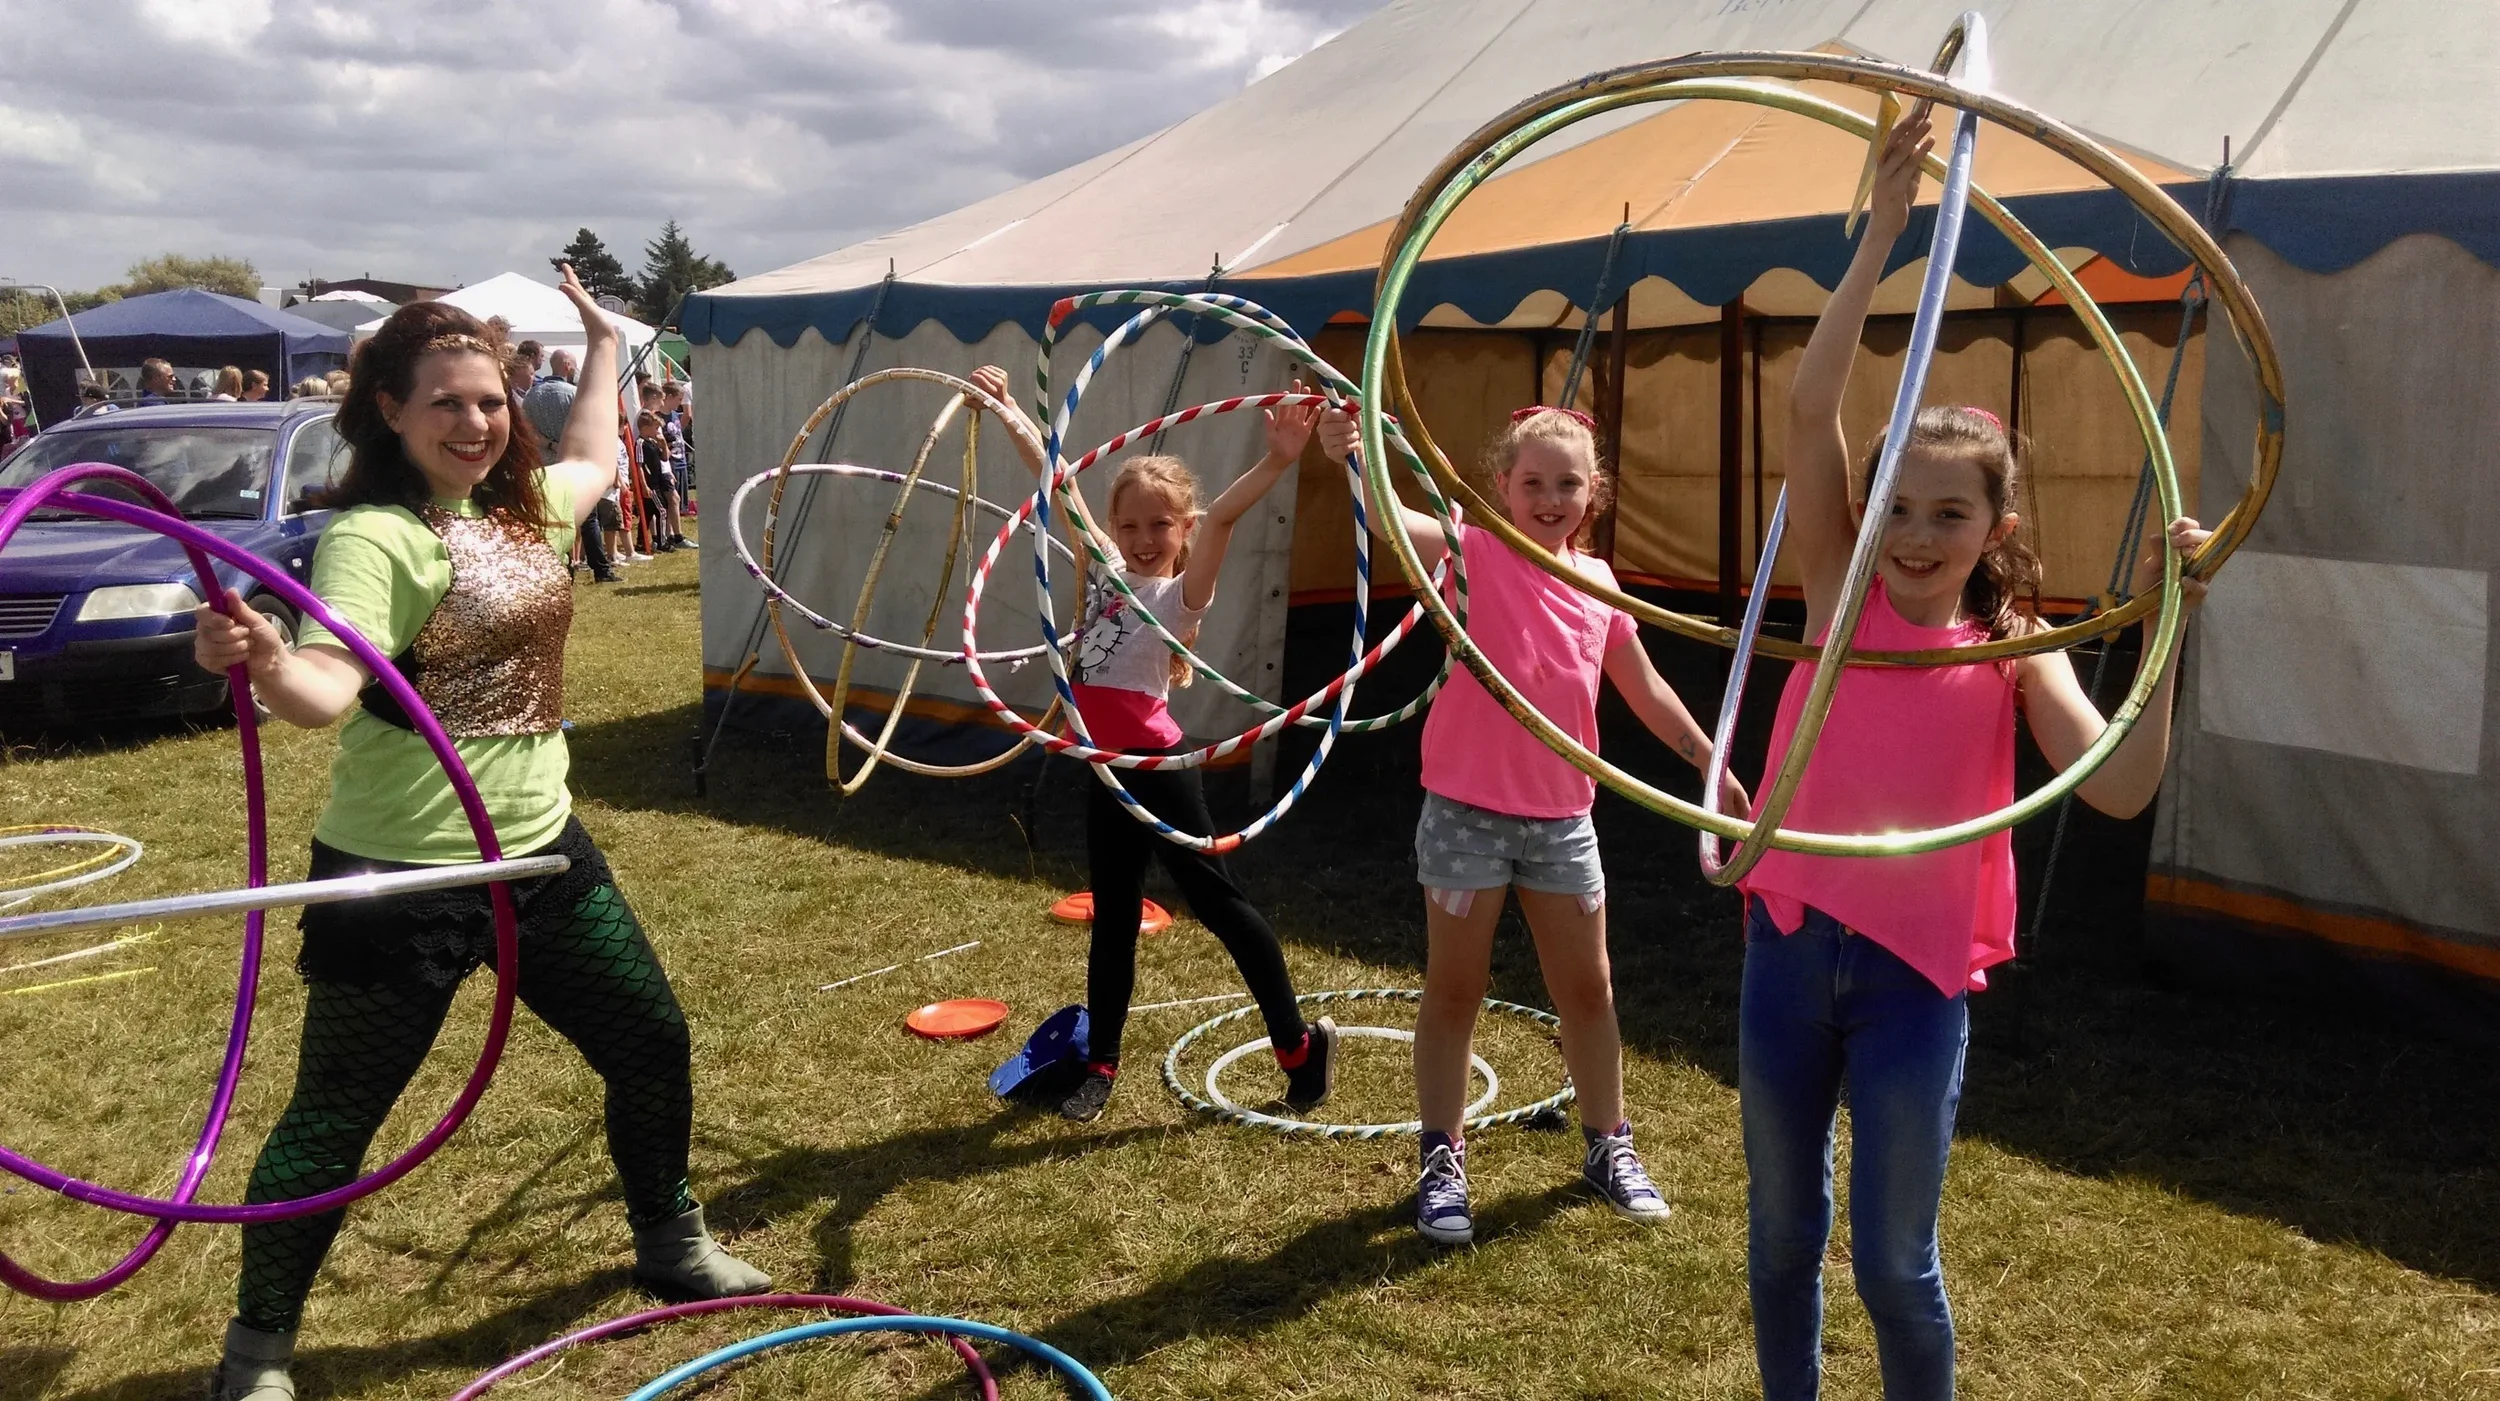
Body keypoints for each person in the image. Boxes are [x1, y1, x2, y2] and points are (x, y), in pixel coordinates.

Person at [190, 266, 767, 1401]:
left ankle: (668, 1237)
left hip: (542, 854)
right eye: (446, 401)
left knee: (650, 1041)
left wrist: (603, 342)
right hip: (399, 874)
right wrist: (264, 661)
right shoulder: (377, 538)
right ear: (390, 411)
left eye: (492, 399)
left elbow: (597, 458)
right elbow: (322, 687)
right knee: (338, 1121)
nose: (476, 421)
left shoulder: (524, 510)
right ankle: (255, 1353)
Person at [1735, 116, 2208, 1401]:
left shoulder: (2014, 644)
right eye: (1896, 504)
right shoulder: (1836, 592)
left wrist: (2171, 620)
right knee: (1779, 1236)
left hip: (1916, 976)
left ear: (1997, 524)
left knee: (1893, 1263)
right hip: (1790, 941)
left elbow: (2116, 785)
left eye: (1950, 513)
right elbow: (1810, 400)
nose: (1915, 533)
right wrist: (1883, 233)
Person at [1318, 402, 1747, 1248]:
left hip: (1561, 819)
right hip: (1465, 815)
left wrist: (1709, 758)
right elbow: (1391, 517)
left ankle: (1607, 1145)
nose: (1551, 498)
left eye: (1569, 483)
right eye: (1534, 482)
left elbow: (1646, 687)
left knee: (1588, 991)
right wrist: (1353, 456)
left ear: (1595, 491)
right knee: (1453, 990)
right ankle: (1441, 1156)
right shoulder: (1471, 550)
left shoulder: (1599, 583)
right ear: (1502, 485)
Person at [972, 362, 1339, 1123]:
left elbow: (1228, 518)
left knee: (1220, 905)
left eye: (1161, 526)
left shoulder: (1181, 594)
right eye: (1131, 525)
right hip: (1105, 772)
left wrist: (1277, 458)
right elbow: (1055, 480)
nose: (1143, 539)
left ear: (1183, 532)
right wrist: (1007, 406)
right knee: (1112, 915)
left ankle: (1299, 1047)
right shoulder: (1103, 570)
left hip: (1161, 773)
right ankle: (1100, 1062)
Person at [635, 410, 683, 552]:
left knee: (649, 513)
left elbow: (664, 458)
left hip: (658, 481)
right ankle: (662, 541)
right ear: (645, 428)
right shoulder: (640, 443)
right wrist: (644, 485)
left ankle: (642, 542)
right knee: (662, 511)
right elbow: (639, 466)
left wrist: (663, 444)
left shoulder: (653, 442)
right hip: (650, 484)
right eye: (655, 428)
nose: (658, 431)